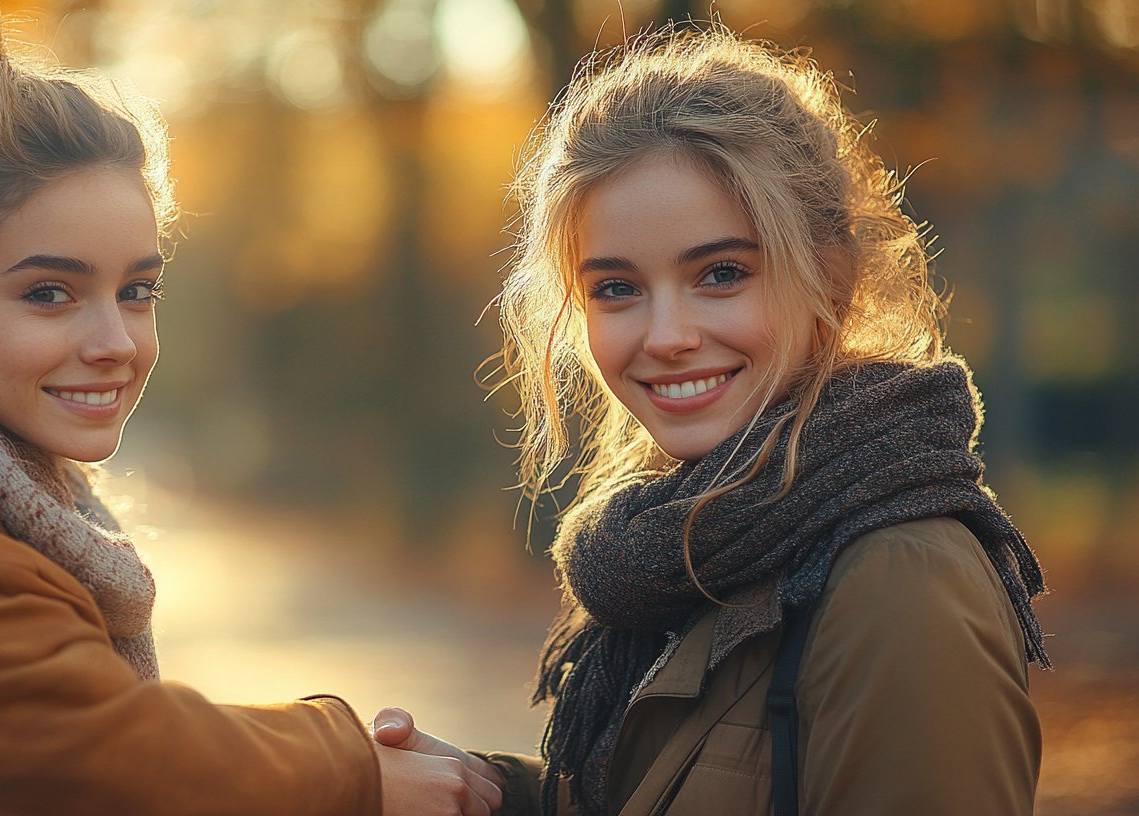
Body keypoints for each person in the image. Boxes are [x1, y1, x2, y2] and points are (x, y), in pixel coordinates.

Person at [0, 3, 502, 814]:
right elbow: (120, 757)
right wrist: (352, 768)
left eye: (137, 291)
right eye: (50, 293)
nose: (115, 342)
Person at [374, 23, 1048, 816]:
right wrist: (467, 794)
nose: (666, 337)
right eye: (616, 288)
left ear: (831, 277)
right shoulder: (697, 538)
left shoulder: (901, 582)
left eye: (721, 274)